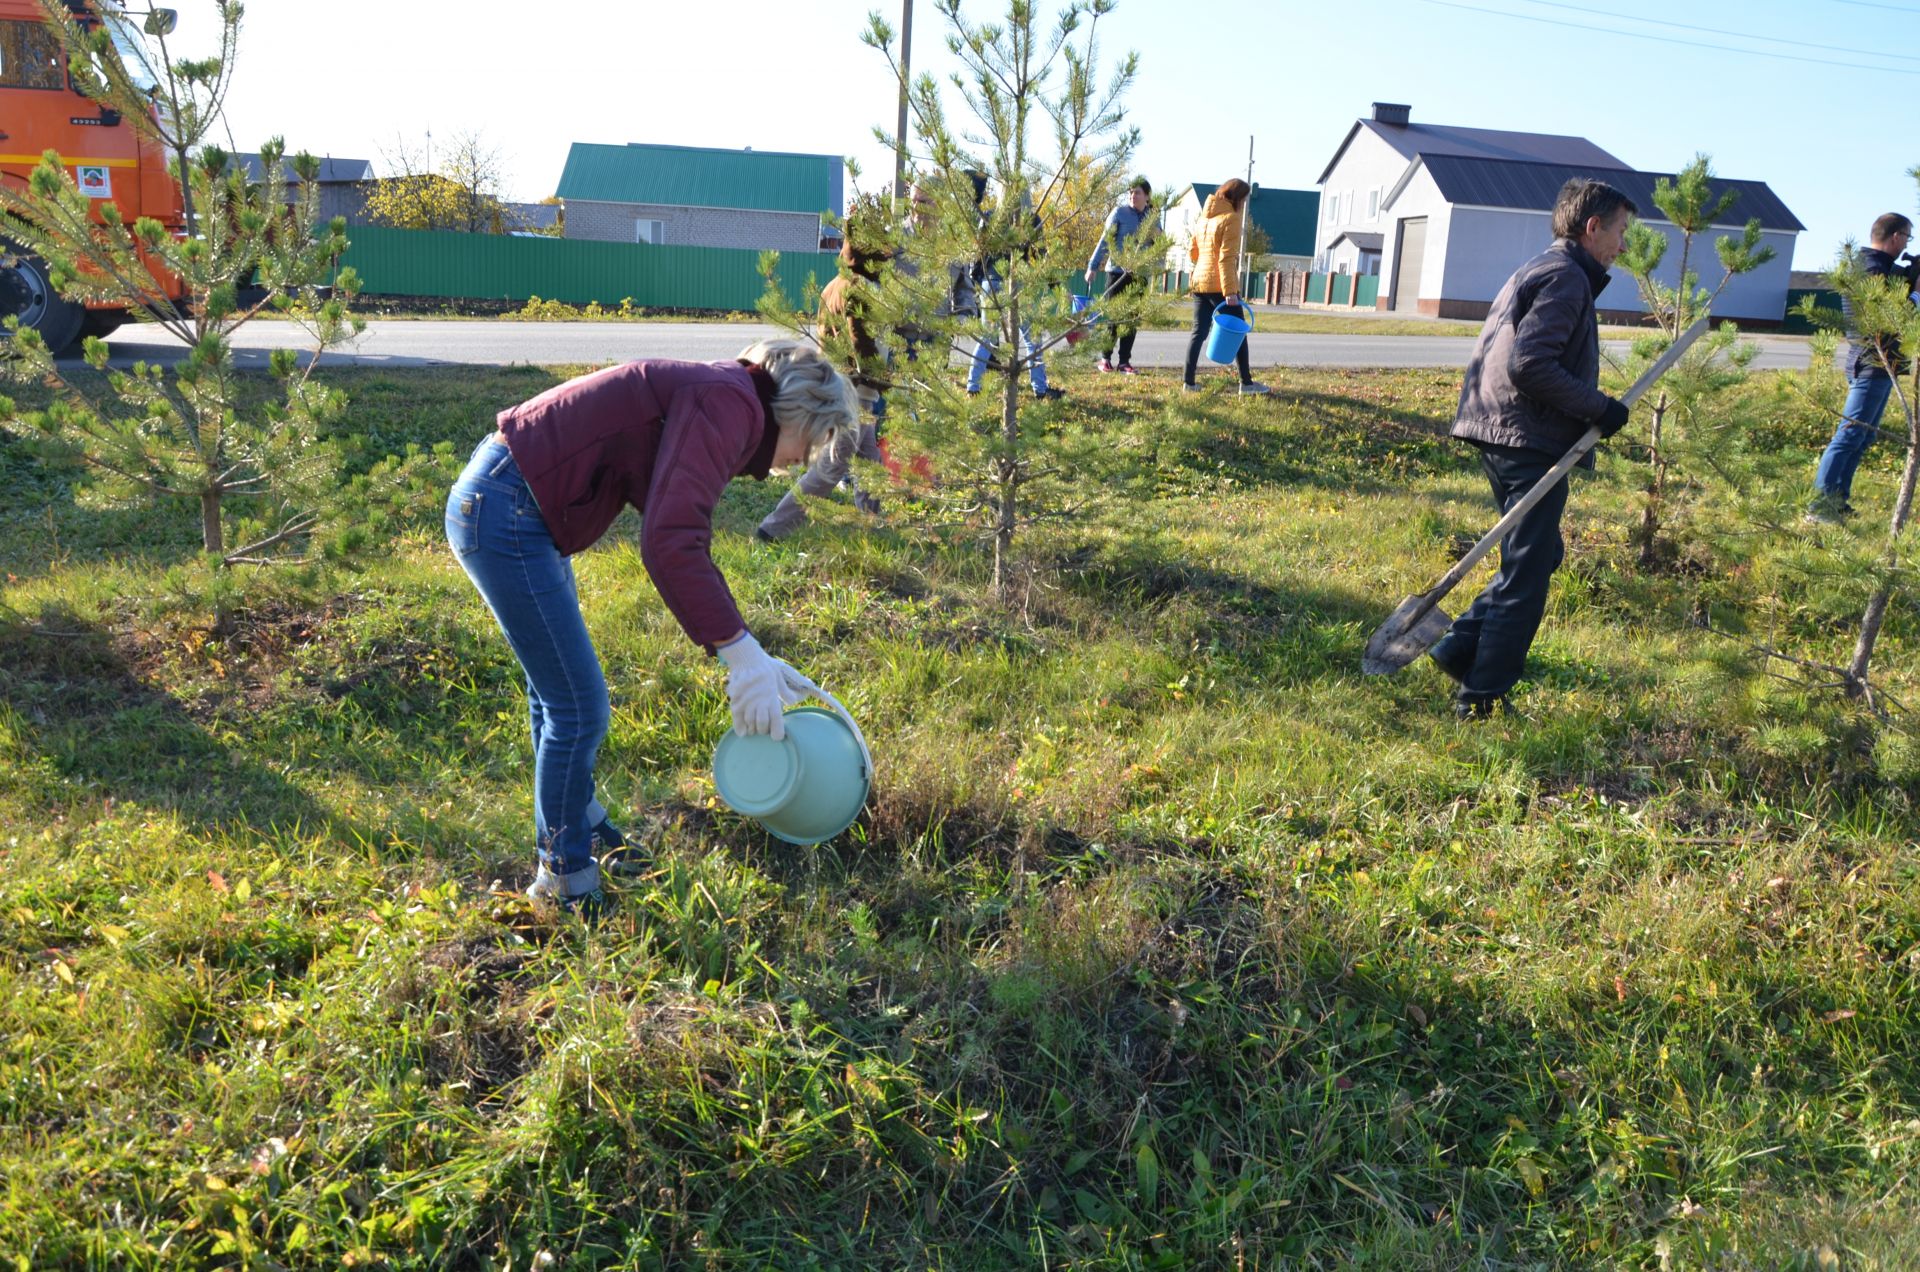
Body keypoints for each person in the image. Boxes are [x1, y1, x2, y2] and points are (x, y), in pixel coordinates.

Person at [445, 340, 858, 915]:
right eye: (809, 445)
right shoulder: (730, 404)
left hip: (510, 500)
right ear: (799, 413)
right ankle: (562, 880)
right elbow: (670, 541)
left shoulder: (725, 395)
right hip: (508, 508)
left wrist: (746, 649)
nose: (797, 462)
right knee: (578, 708)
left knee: (558, 697)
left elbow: (674, 520)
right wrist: (739, 652)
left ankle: (579, 826)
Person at [1426, 178, 1638, 720]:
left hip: (1501, 427)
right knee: (1527, 573)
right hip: (1522, 434)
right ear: (1592, 227)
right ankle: (1482, 699)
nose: (1622, 246)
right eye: (1619, 232)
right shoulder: (1566, 278)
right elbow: (1530, 365)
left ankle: (1459, 645)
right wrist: (1598, 407)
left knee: (1539, 555)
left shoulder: (1545, 267)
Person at [758, 215, 892, 541]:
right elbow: (862, 343)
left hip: (851, 390)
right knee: (831, 468)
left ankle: (874, 527)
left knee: (869, 461)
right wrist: (881, 377)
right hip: (856, 392)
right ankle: (773, 529)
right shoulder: (860, 289)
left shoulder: (835, 284)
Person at [1808, 212, 1916, 523]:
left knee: (1862, 437)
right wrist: (1918, 291)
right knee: (1849, 436)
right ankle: (1819, 507)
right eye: (1907, 237)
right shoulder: (1871, 270)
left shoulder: (1873, 267)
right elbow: (1892, 316)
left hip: (1879, 365)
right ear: (1895, 236)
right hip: (1871, 363)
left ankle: (1837, 500)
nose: (1907, 244)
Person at [964, 172, 1064, 401]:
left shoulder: (991, 217)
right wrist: (1055, 284)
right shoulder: (1029, 220)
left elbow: (976, 257)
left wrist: (977, 283)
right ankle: (1040, 389)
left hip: (995, 285)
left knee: (988, 339)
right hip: (1015, 286)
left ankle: (973, 387)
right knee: (1032, 340)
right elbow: (1041, 255)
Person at [1183, 178, 1269, 396]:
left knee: (1198, 332)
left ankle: (1188, 383)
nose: (1245, 203)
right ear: (1237, 197)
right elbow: (1226, 258)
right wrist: (1230, 292)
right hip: (1220, 285)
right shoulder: (1231, 218)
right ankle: (1246, 384)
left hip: (1199, 282)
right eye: (1244, 199)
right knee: (1239, 331)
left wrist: (1203, 265)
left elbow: (1193, 251)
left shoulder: (1204, 218)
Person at [1087, 177, 1154, 374]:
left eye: (1138, 192)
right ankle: (1105, 359)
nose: (1133, 196)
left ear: (1147, 196)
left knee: (1132, 319)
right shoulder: (1119, 213)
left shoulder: (1152, 217)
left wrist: (1156, 268)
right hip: (1117, 272)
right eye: (1131, 192)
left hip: (1139, 274)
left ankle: (1124, 362)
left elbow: (1158, 244)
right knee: (1114, 318)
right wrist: (1093, 266)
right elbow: (1105, 240)